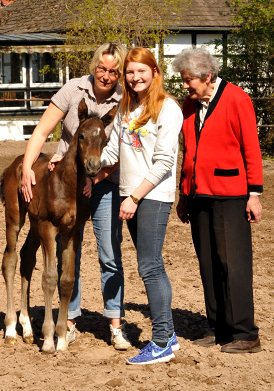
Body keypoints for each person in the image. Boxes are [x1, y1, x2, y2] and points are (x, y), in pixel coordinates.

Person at [21, 42, 131, 350]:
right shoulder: (73, 89)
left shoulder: (124, 100)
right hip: (67, 182)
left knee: (110, 252)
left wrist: (97, 177)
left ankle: (115, 323)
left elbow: (125, 148)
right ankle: (68, 320)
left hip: (106, 180)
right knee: (71, 250)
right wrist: (28, 167)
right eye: (102, 68)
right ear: (94, 66)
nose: (106, 75)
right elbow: (42, 131)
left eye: (113, 71)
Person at [89, 47, 183, 365]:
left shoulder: (167, 108)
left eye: (141, 70)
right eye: (130, 72)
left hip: (152, 196)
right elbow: (114, 153)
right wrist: (83, 164)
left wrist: (134, 197)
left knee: (150, 266)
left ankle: (160, 343)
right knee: (149, 266)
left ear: (155, 72)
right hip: (132, 194)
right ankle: (167, 335)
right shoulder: (129, 106)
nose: (134, 77)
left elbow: (164, 162)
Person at [172, 46, 263, 354]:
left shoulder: (237, 98)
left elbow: (251, 146)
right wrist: (184, 194)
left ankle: (245, 332)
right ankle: (217, 327)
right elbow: (188, 152)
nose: (185, 85)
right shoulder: (189, 103)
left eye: (188, 80)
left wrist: (255, 194)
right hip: (198, 193)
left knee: (232, 264)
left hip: (231, 195)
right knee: (208, 263)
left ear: (207, 76)